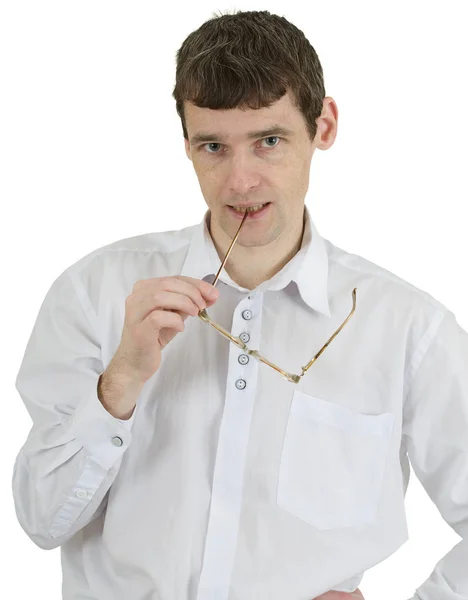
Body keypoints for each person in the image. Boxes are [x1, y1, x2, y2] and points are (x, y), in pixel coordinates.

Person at [11, 9, 467, 600]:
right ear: (187, 144)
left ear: (323, 127)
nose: (240, 181)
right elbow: (42, 523)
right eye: (213, 147)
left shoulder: (409, 328)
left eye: (268, 141)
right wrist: (121, 380)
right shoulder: (93, 291)